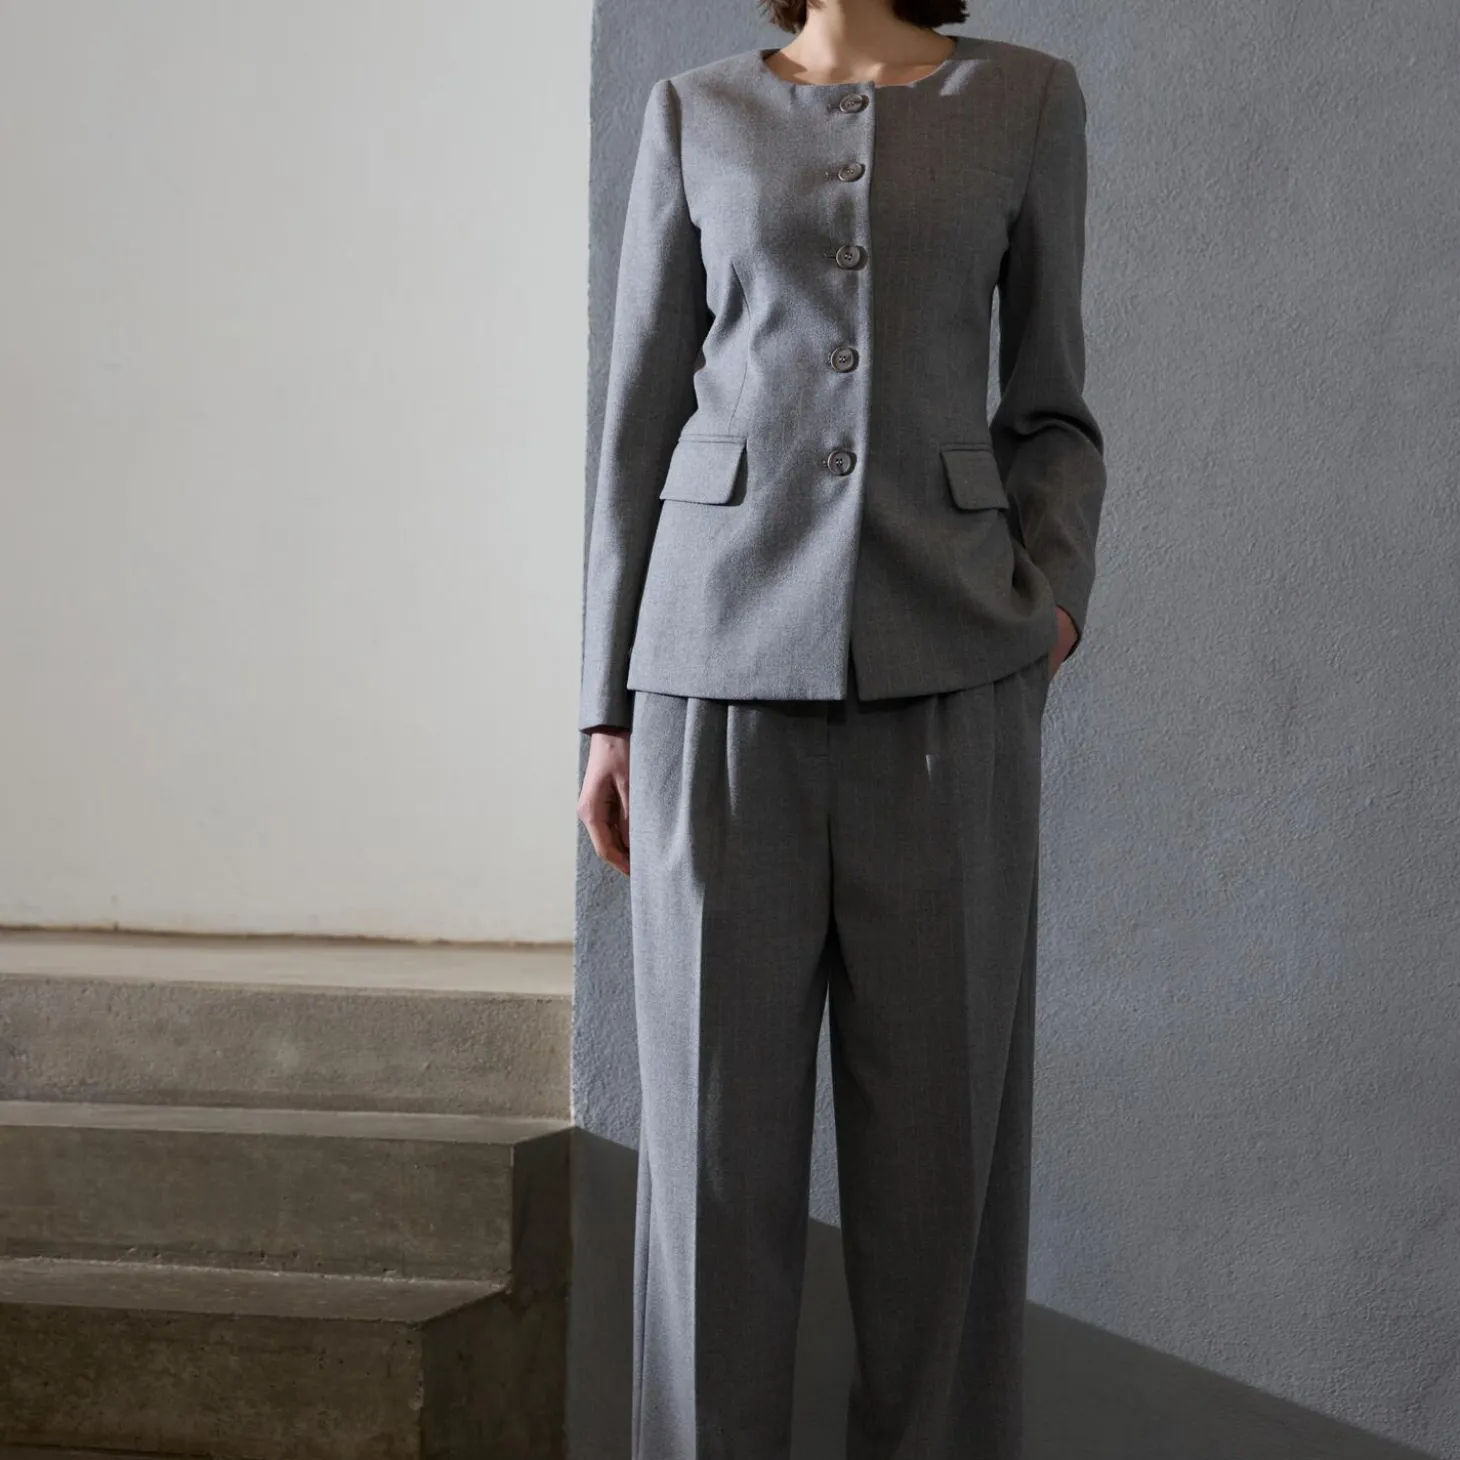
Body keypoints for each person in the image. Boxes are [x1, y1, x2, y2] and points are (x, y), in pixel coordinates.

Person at [578, 2, 1105, 1455]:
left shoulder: (1027, 102)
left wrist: (1050, 605)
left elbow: (1053, 407)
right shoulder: (692, 111)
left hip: (950, 671)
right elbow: (638, 419)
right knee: (709, 1181)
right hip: (713, 677)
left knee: (940, 1199)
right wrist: (604, 707)